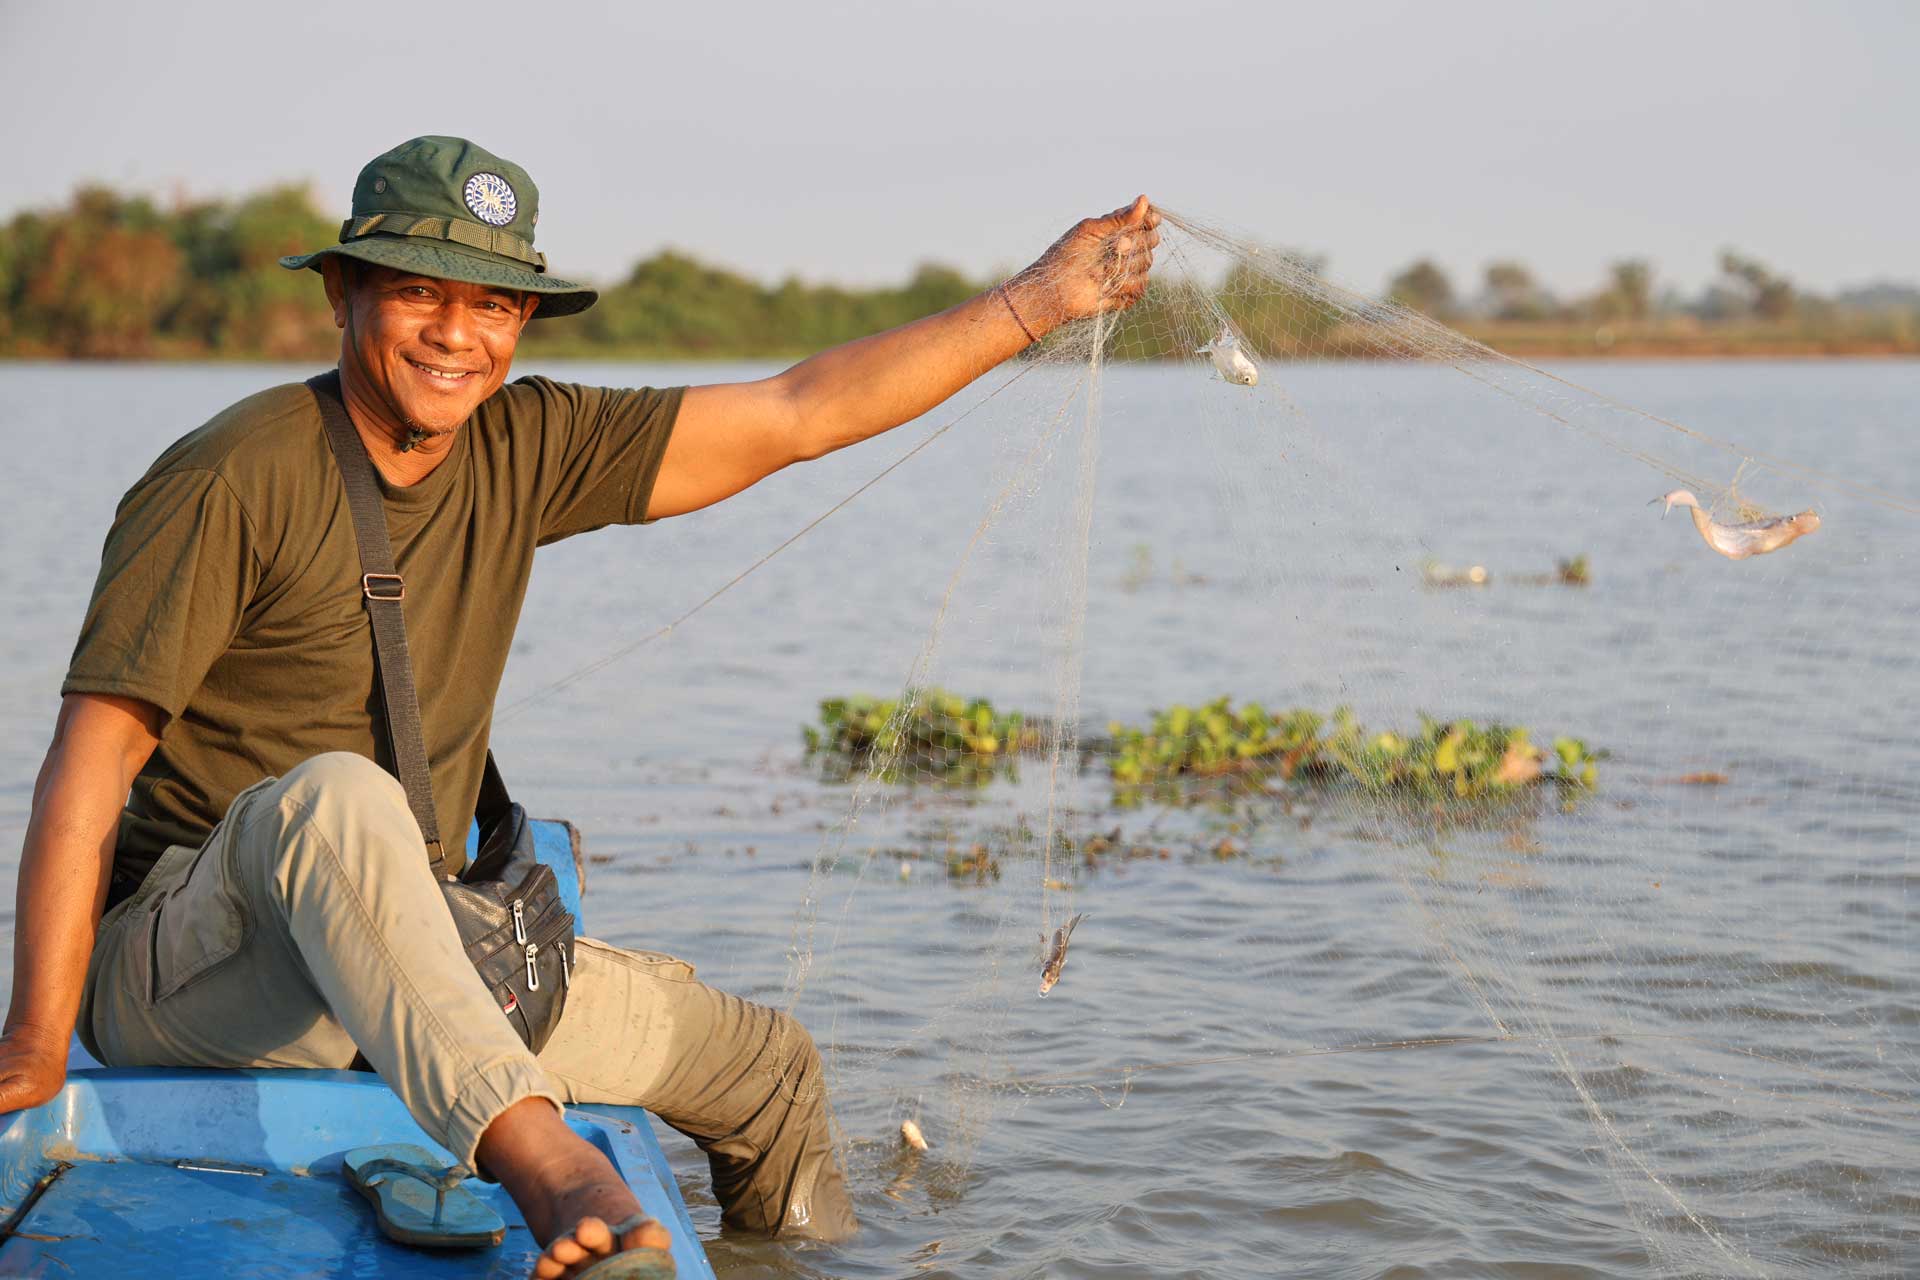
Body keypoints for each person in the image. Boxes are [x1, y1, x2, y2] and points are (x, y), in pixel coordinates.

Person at [0, 136, 1157, 1278]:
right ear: (342, 294)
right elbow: (91, 760)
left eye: (494, 305)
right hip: (201, 968)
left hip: (418, 947)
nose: (457, 334)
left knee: (768, 1067)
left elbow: (797, 409)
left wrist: (1043, 299)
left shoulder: (526, 442)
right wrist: (37, 1039)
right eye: (418, 293)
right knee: (342, 800)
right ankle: (550, 1165)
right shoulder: (230, 475)